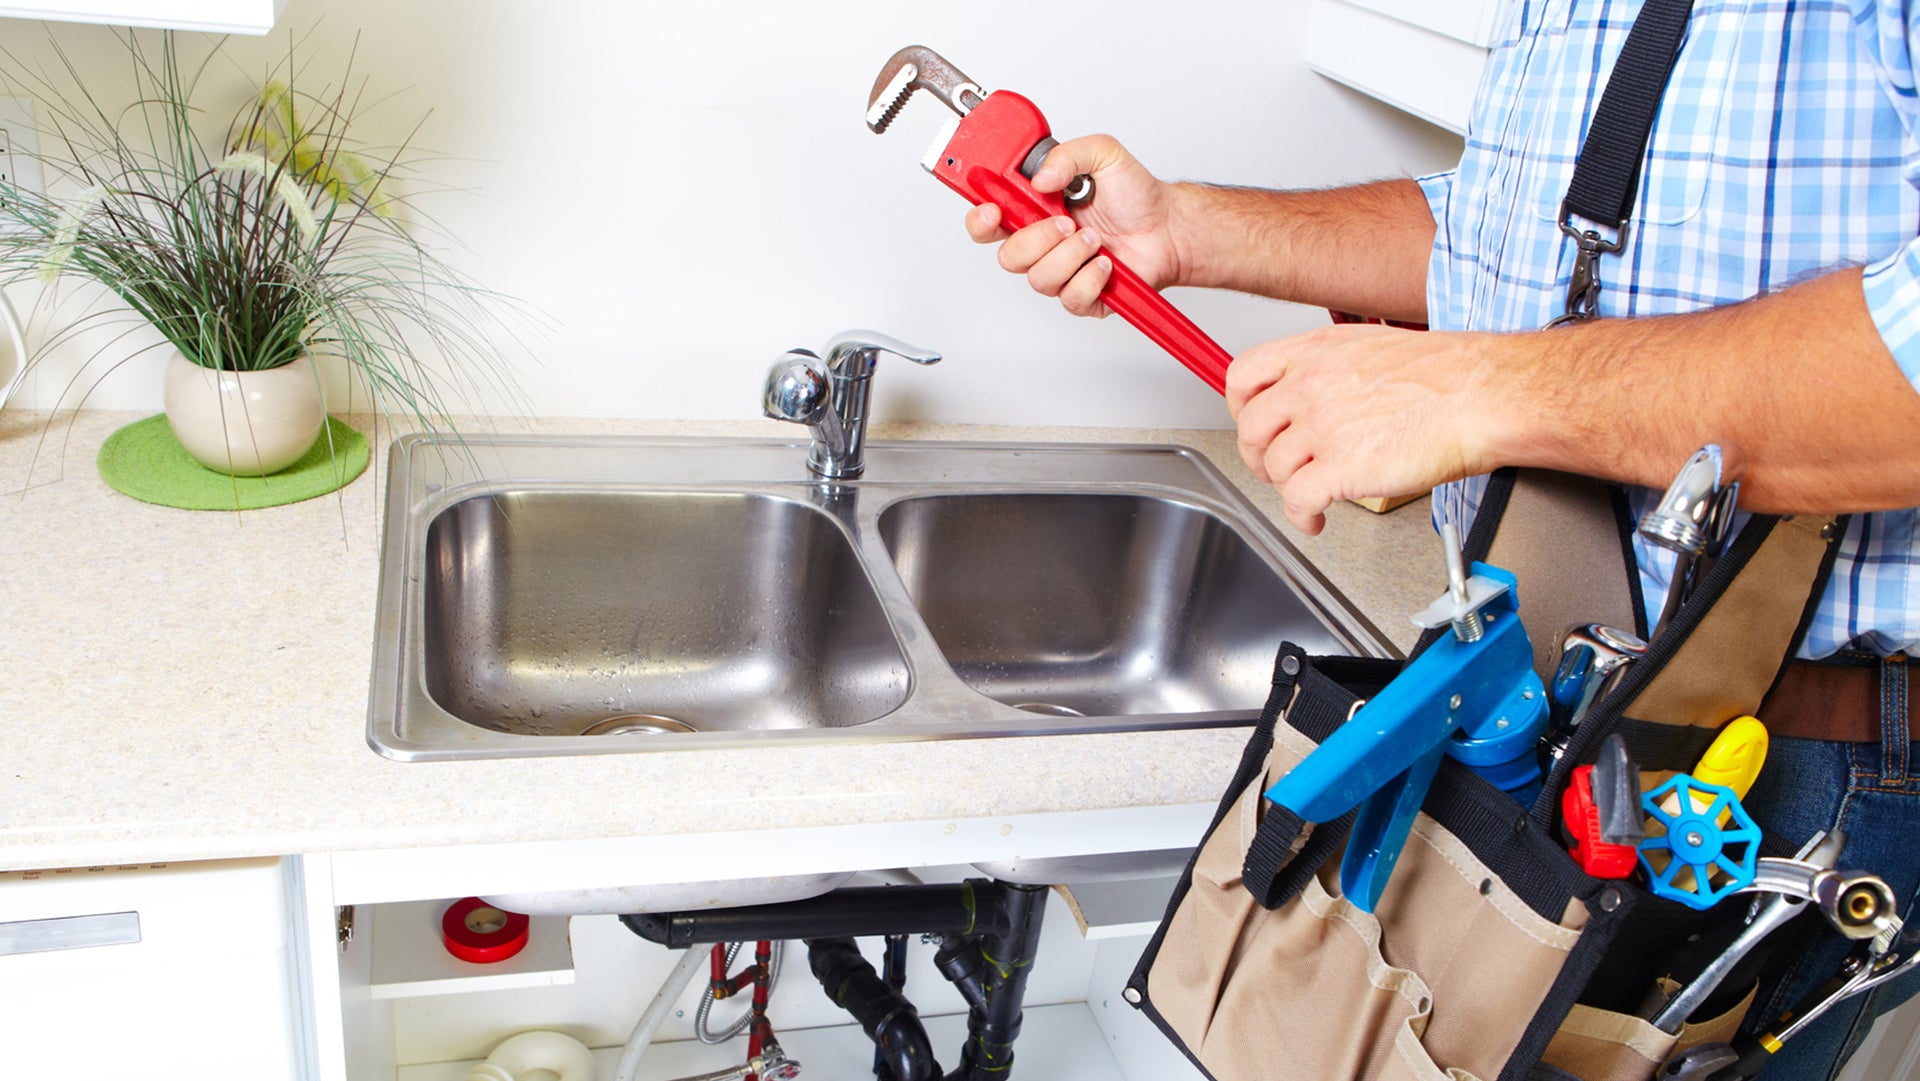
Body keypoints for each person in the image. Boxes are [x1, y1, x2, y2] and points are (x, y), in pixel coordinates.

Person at [966, 4, 1920, 1078]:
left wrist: (1476, 388)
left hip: (1774, 765)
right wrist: (1190, 228)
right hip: (1523, 691)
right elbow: (1502, 234)